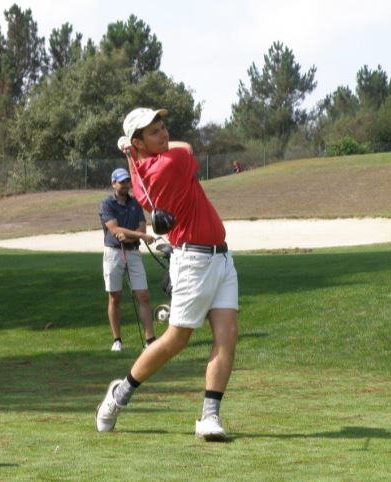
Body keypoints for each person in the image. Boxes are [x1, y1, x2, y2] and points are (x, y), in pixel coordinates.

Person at [96, 108, 239, 441]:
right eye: (155, 132)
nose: (164, 134)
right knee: (177, 339)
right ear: (138, 142)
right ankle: (120, 395)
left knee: (227, 335)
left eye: (163, 128)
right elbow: (187, 148)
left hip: (221, 258)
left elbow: (146, 166)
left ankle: (210, 417)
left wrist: (134, 155)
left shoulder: (143, 174)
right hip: (194, 260)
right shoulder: (167, 165)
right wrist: (135, 154)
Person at [99, 167, 156, 352]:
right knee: (115, 297)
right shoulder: (107, 204)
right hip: (114, 253)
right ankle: (117, 340)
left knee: (143, 295)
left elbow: (142, 230)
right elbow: (114, 230)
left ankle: (150, 340)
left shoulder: (136, 204)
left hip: (132, 252)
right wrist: (136, 236)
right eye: (121, 182)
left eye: (126, 181)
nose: (125, 185)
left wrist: (131, 237)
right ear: (113, 183)